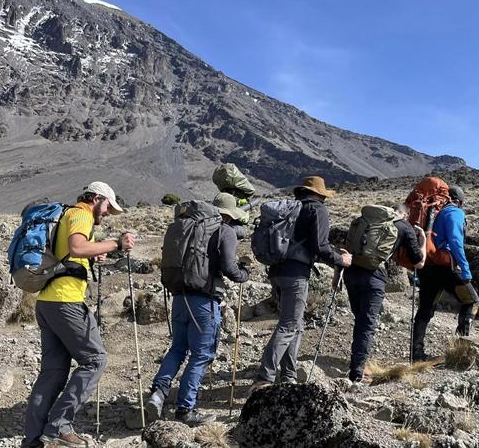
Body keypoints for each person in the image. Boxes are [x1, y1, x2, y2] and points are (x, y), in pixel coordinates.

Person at [22, 182, 136, 448]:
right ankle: (59, 425)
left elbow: (73, 253)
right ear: (96, 199)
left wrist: (93, 255)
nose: (107, 213)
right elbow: (76, 248)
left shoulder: (68, 215)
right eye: (108, 206)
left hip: (47, 303)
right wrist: (116, 244)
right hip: (66, 303)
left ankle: (33, 441)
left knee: (52, 373)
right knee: (95, 359)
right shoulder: (82, 214)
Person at [145, 193, 250, 426]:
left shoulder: (189, 226)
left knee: (178, 349)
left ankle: (159, 392)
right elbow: (230, 269)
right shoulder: (225, 231)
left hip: (179, 297)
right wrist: (244, 274)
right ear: (229, 215)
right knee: (201, 355)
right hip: (204, 301)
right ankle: (185, 410)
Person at [250, 176, 352, 393]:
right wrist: (340, 260)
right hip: (296, 275)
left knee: (295, 324)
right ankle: (263, 378)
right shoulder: (317, 210)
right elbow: (320, 247)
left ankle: (288, 375)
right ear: (319, 193)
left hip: (277, 272)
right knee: (289, 325)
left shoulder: (291, 209)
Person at [338, 204, 426, 383]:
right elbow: (419, 263)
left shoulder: (365, 221)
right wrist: (422, 240)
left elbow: (346, 247)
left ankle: (358, 361)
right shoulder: (404, 226)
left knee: (360, 318)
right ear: (405, 215)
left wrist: (336, 275)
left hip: (351, 273)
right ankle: (358, 372)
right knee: (367, 323)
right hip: (374, 277)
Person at [412, 186, 479, 362]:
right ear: (459, 201)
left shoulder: (435, 212)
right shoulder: (454, 212)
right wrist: (465, 269)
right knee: (472, 301)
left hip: (428, 265)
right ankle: (459, 351)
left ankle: (416, 354)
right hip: (445, 267)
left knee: (425, 309)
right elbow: (456, 241)